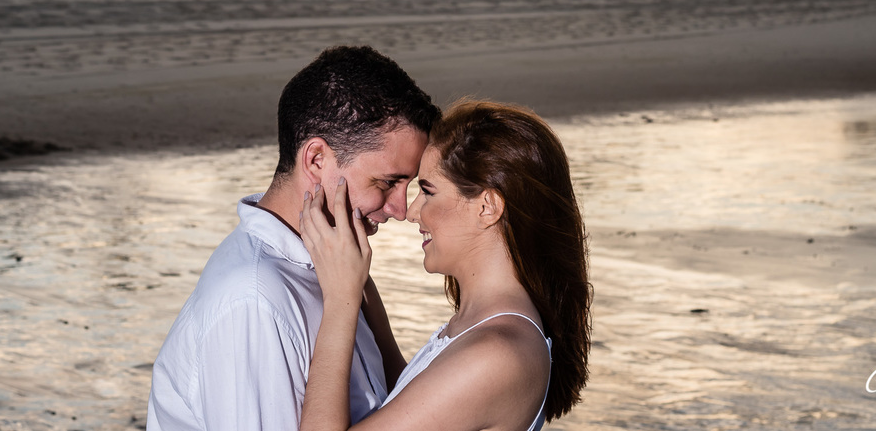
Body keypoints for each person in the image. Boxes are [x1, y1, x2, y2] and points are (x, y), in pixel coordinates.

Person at [147, 46, 440, 431]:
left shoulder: (332, 267)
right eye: (387, 182)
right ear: (317, 160)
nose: (400, 209)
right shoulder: (254, 299)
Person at [299, 99, 592, 431]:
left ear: (487, 206)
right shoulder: (482, 323)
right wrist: (359, 283)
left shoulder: (497, 353)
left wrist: (341, 300)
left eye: (428, 191)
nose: (411, 212)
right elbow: (411, 397)